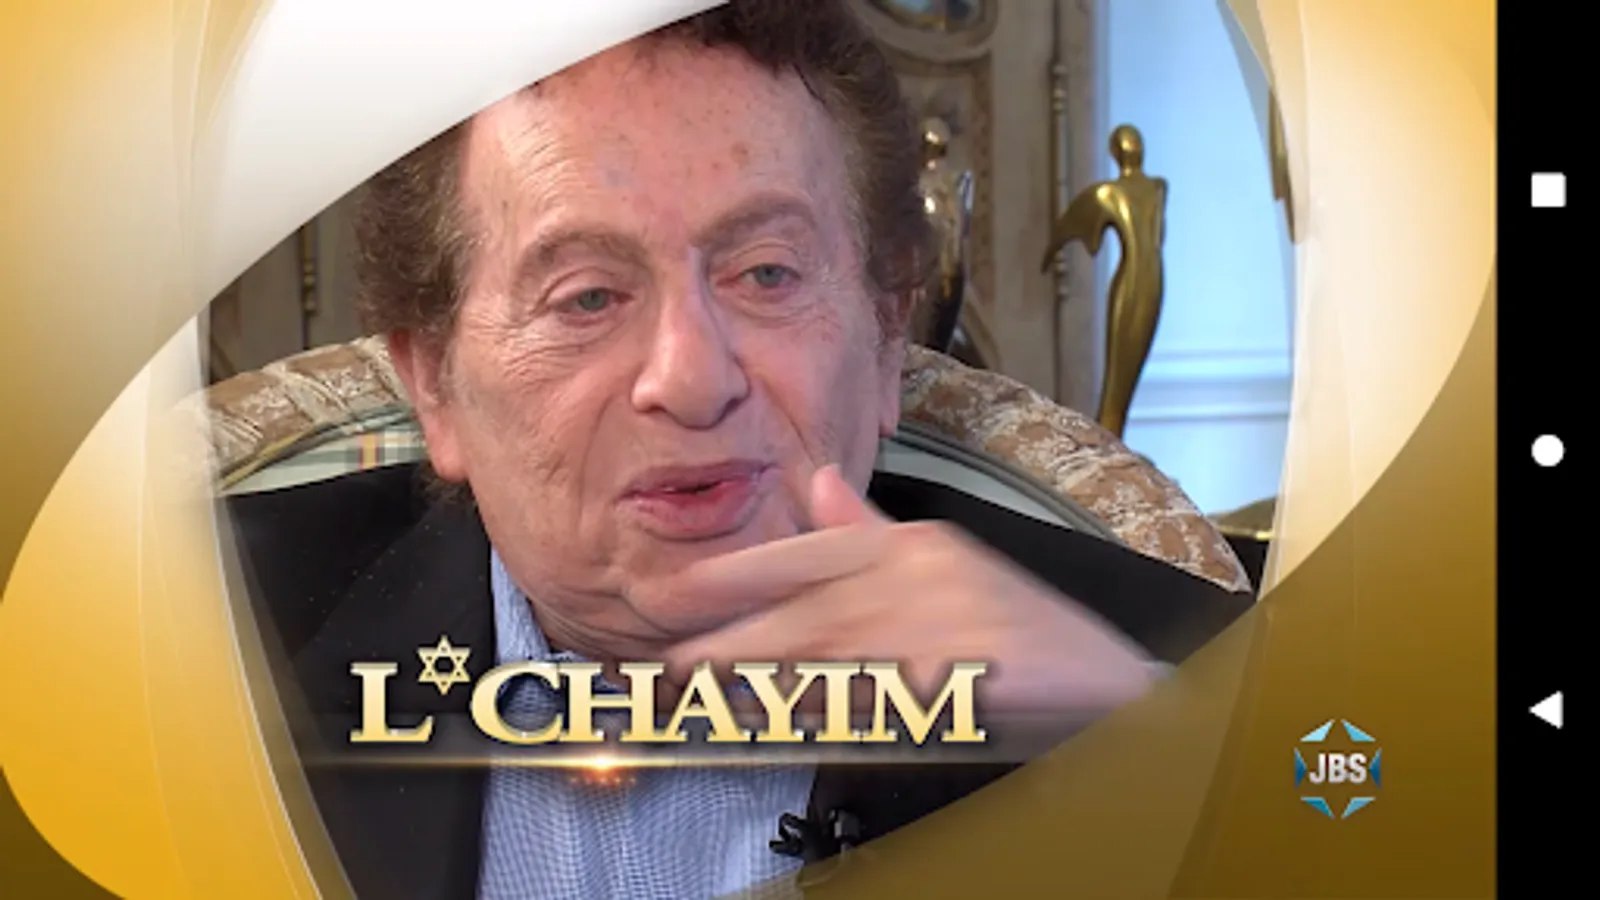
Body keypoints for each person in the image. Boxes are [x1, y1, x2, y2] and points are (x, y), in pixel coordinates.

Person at [224, 2, 1253, 898]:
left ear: (885, 338)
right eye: (588, 297)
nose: (691, 377)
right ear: (434, 384)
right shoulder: (197, 643)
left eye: (766, 274)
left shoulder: (1184, 675)